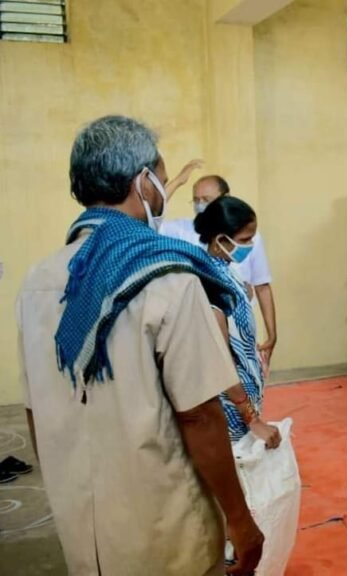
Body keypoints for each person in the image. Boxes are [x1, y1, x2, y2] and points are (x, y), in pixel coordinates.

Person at [16, 115, 263, 575]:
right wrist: (240, 519)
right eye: (164, 181)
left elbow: (35, 410)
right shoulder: (168, 277)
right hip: (162, 526)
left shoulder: (38, 283)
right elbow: (199, 415)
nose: (165, 194)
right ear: (143, 184)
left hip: (80, 522)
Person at [161, 172, 279, 371]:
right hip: (208, 344)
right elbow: (149, 221)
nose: (200, 204)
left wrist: (271, 333)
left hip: (243, 336)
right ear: (218, 242)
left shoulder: (248, 237)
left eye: (206, 199)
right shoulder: (183, 234)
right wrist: (178, 181)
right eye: (196, 199)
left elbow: (262, 285)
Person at [194, 195, 281, 449]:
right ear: (221, 239)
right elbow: (221, 363)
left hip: (241, 402)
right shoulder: (211, 284)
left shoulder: (226, 270)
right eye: (245, 240)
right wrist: (252, 419)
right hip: (228, 409)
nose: (251, 245)